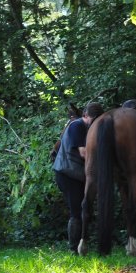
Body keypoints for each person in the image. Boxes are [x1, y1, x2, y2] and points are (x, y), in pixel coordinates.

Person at [52, 101, 105, 253]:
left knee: (84, 210)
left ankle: (81, 245)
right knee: (76, 212)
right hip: (67, 174)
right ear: (85, 115)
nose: (94, 124)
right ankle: (73, 249)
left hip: (77, 175)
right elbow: (83, 153)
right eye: (92, 120)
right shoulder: (77, 126)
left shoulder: (86, 127)